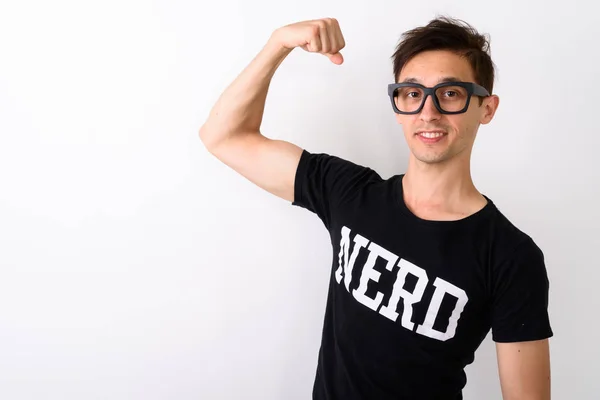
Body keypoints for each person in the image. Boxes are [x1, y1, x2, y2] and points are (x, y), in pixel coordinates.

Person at [199, 16, 553, 400]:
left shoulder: (511, 256)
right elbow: (223, 137)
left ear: (486, 107)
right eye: (412, 93)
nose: (428, 112)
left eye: (451, 93)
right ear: (398, 103)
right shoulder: (349, 192)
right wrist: (278, 44)